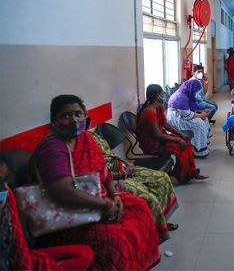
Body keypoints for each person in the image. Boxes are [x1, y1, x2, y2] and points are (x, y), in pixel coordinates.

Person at [32, 94, 160, 270]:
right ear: (55, 122)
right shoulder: (53, 147)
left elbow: (103, 172)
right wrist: (105, 204)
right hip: (67, 218)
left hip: (97, 200)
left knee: (139, 207)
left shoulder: (85, 139)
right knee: (115, 240)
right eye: (66, 116)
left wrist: (114, 195)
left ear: (85, 115)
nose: (74, 119)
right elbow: (61, 190)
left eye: (78, 114)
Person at [0, 158, 94, 271]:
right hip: (10, 261)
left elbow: (18, 244)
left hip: (21, 257)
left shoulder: (6, 193)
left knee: (85, 254)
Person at [91, 132, 179, 240]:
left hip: (123, 169)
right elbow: (98, 174)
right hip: (111, 180)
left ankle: (160, 221)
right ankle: (152, 231)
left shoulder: (91, 136)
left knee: (162, 178)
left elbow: (112, 156)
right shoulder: (71, 150)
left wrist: (128, 164)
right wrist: (123, 174)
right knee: (147, 197)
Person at [137, 84, 208, 181]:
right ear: (157, 96)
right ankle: (182, 175)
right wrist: (177, 140)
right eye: (162, 93)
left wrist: (180, 134)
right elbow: (157, 135)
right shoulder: (149, 112)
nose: (164, 94)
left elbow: (165, 125)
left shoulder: (158, 107)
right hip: (152, 144)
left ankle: (190, 171)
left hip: (159, 138)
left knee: (186, 141)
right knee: (180, 146)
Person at [167, 79, 212, 157]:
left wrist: (201, 111)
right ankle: (198, 150)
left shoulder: (187, 93)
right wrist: (201, 115)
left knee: (205, 119)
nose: (197, 93)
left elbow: (190, 107)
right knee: (199, 123)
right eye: (197, 91)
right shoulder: (180, 97)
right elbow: (187, 115)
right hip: (176, 118)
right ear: (192, 89)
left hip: (182, 114)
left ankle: (202, 143)